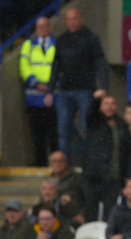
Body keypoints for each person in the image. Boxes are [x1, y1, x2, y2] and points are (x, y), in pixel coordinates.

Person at [45, 8, 108, 159]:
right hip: (65, 91)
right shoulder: (62, 40)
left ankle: (91, 162)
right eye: (68, 19)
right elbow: (56, 66)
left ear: (81, 19)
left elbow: (100, 62)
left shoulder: (91, 38)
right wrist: (50, 90)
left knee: (88, 128)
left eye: (74, 19)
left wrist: (104, 86)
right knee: (63, 130)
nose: (71, 22)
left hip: (86, 90)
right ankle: (64, 165)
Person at [83, 93, 131, 223]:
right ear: (100, 106)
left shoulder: (122, 124)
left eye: (112, 103)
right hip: (94, 176)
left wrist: (126, 174)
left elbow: (128, 151)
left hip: (114, 178)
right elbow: (90, 112)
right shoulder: (94, 121)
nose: (109, 106)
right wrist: (96, 99)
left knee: (110, 213)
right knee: (91, 211)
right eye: (106, 103)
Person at [20, 17, 57, 167]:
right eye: (39, 27)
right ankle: (40, 162)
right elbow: (24, 66)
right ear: (36, 29)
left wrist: (51, 85)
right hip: (34, 96)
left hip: (53, 94)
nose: (42, 29)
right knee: (37, 132)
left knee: (54, 132)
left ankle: (55, 163)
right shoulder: (28, 45)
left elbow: (62, 67)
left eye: (45, 26)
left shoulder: (57, 44)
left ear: (50, 27)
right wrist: (35, 83)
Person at [47, 150, 84, 226]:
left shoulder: (76, 178)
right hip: (53, 217)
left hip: (73, 217)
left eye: (61, 161)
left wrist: (81, 214)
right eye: (55, 161)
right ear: (50, 164)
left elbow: (87, 197)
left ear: (66, 162)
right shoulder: (48, 180)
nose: (58, 164)